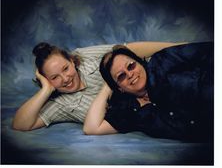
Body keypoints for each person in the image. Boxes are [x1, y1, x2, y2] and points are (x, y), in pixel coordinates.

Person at [12, 41, 186, 131]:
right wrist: (45, 90)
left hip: (157, 80)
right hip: (150, 111)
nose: (65, 78)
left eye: (65, 68)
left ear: (72, 61)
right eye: (54, 77)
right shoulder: (60, 104)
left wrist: (180, 47)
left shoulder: (85, 56)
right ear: (47, 80)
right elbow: (20, 125)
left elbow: (127, 50)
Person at [83, 42, 214, 142]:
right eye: (121, 76)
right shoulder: (131, 111)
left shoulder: (164, 61)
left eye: (131, 66)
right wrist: (107, 86)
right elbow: (91, 128)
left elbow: (211, 51)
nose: (129, 74)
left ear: (139, 62)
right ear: (119, 88)